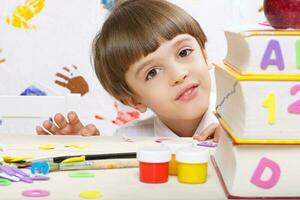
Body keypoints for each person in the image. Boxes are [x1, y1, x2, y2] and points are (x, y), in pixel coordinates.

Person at [36, 0, 220, 142]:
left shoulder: (244, 124)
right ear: (133, 100)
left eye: (184, 52)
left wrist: (243, 146)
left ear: (204, 55)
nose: (179, 75)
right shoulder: (128, 140)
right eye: (152, 72)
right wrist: (87, 153)